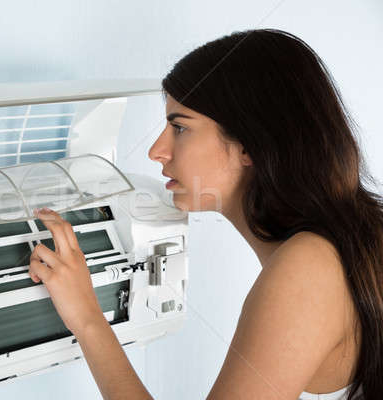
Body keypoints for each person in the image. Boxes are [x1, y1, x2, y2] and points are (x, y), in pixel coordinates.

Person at [28, 28, 382, 399]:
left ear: (249, 144)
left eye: (180, 127)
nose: (156, 150)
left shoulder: (309, 268)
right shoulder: (356, 236)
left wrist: (87, 319)